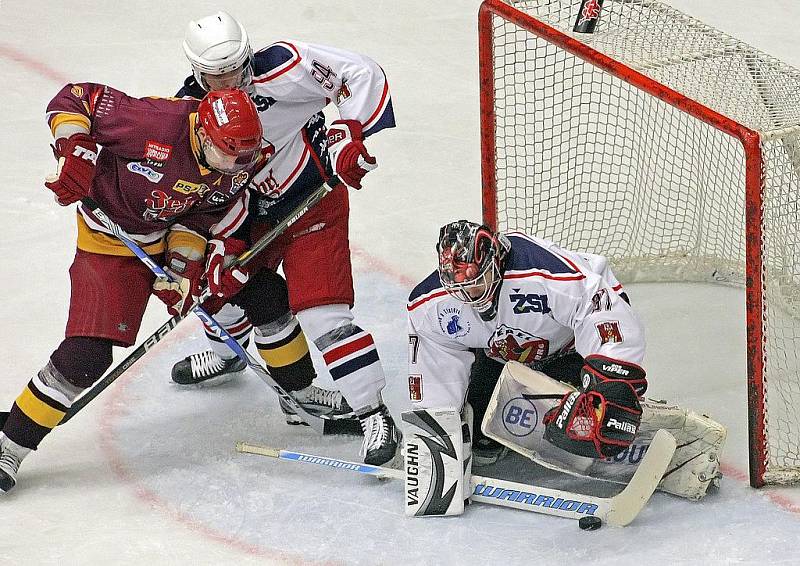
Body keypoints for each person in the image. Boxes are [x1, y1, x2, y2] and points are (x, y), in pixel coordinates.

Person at [0, 84, 282, 493]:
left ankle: (302, 392)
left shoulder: (237, 159)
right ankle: (9, 446)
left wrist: (183, 269)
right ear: (203, 133)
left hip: (166, 236)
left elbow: (202, 215)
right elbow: (75, 99)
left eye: (244, 155)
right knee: (86, 355)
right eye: (229, 153)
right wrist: (75, 149)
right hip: (110, 239)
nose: (237, 165)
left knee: (263, 291)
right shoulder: (155, 124)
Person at [169, 11, 399, 466]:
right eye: (215, 75)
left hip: (314, 203)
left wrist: (348, 134)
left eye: (234, 67)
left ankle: (373, 412)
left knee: (323, 315)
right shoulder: (188, 112)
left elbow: (360, 71)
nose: (228, 81)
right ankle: (228, 353)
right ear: (197, 72)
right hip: (249, 216)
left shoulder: (286, 66)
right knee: (218, 290)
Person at [405, 220, 647, 467]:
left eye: (476, 281)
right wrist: (437, 428)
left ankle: (599, 400)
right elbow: (436, 362)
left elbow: (602, 311)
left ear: (495, 262)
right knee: (481, 433)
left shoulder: (544, 275)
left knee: (588, 422)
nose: (470, 294)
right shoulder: (431, 303)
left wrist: (612, 380)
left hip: (571, 351)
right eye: (461, 286)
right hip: (506, 359)